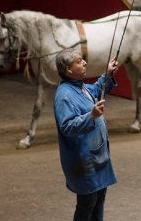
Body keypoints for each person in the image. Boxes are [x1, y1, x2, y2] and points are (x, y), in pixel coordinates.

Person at [53, 48, 119, 220]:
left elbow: (96, 89)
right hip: (84, 161)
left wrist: (108, 75)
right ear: (68, 69)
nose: (85, 63)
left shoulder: (80, 88)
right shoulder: (64, 96)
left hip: (96, 157)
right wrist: (91, 116)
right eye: (79, 61)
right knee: (87, 204)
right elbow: (66, 126)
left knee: (98, 201)